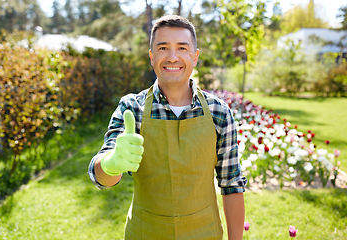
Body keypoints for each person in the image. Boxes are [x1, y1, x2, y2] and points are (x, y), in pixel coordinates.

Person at [88, 15, 247, 240]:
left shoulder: (218, 113)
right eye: (163, 48)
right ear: (152, 57)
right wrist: (113, 162)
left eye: (182, 48)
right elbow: (101, 178)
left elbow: (231, 183)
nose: (172, 57)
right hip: (144, 233)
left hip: (205, 234)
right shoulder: (132, 108)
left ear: (195, 56)